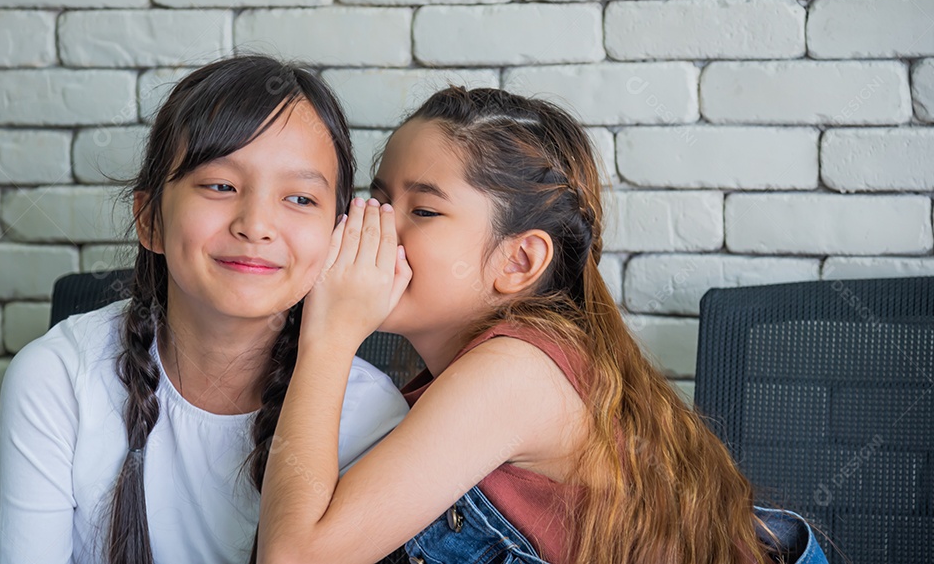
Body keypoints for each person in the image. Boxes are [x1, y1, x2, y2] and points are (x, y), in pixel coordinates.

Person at [257, 87, 829, 564]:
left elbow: (295, 556)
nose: (374, 227)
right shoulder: (473, 371)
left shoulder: (514, 374)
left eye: (423, 210)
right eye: (378, 200)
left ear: (518, 261)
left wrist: (330, 336)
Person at [0, 56, 408, 564]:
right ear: (150, 219)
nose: (256, 224)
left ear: (338, 236)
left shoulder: (375, 417)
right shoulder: (56, 377)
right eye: (220, 186)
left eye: (299, 198)